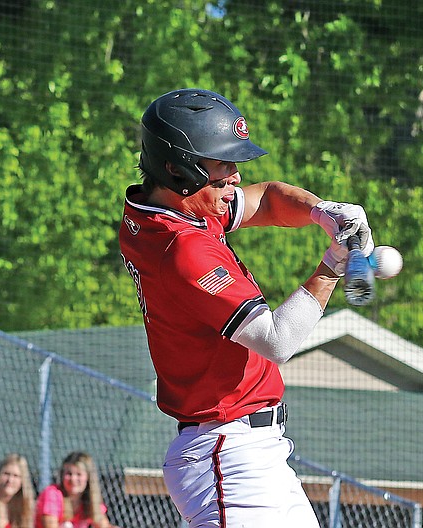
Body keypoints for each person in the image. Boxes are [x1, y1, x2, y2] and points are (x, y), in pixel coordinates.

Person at [118, 88, 375, 527]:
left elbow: (269, 198)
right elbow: (277, 340)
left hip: (254, 452)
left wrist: (323, 212)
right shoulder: (183, 249)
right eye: (221, 165)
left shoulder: (169, 207)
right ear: (177, 168)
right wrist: (333, 264)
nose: (235, 176)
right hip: (226, 454)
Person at [34, 451, 116, 528]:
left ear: (88, 478)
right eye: (69, 474)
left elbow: (105, 525)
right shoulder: (52, 494)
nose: (73, 479)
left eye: (79, 474)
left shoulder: (90, 500)